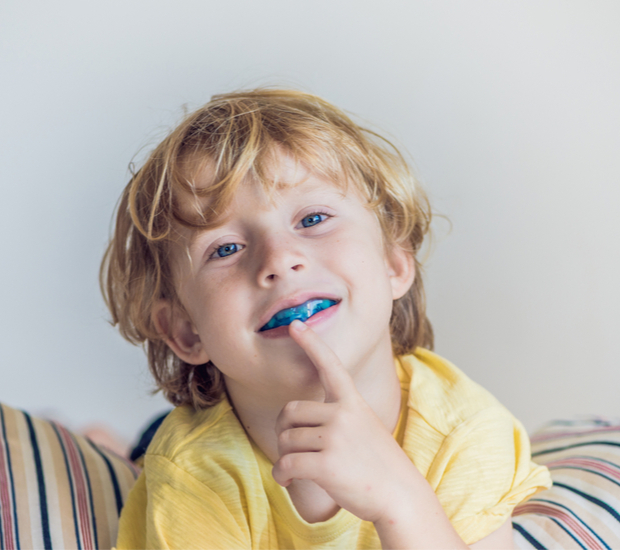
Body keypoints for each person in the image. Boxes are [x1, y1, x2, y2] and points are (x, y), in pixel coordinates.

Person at [102, 89, 551, 549]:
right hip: (200, 436)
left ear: (394, 263)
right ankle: (118, 447)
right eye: (226, 249)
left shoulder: (465, 433)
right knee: (144, 455)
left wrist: (400, 501)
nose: (280, 259)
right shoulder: (192, 475)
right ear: (184, 331)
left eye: (313, 218)